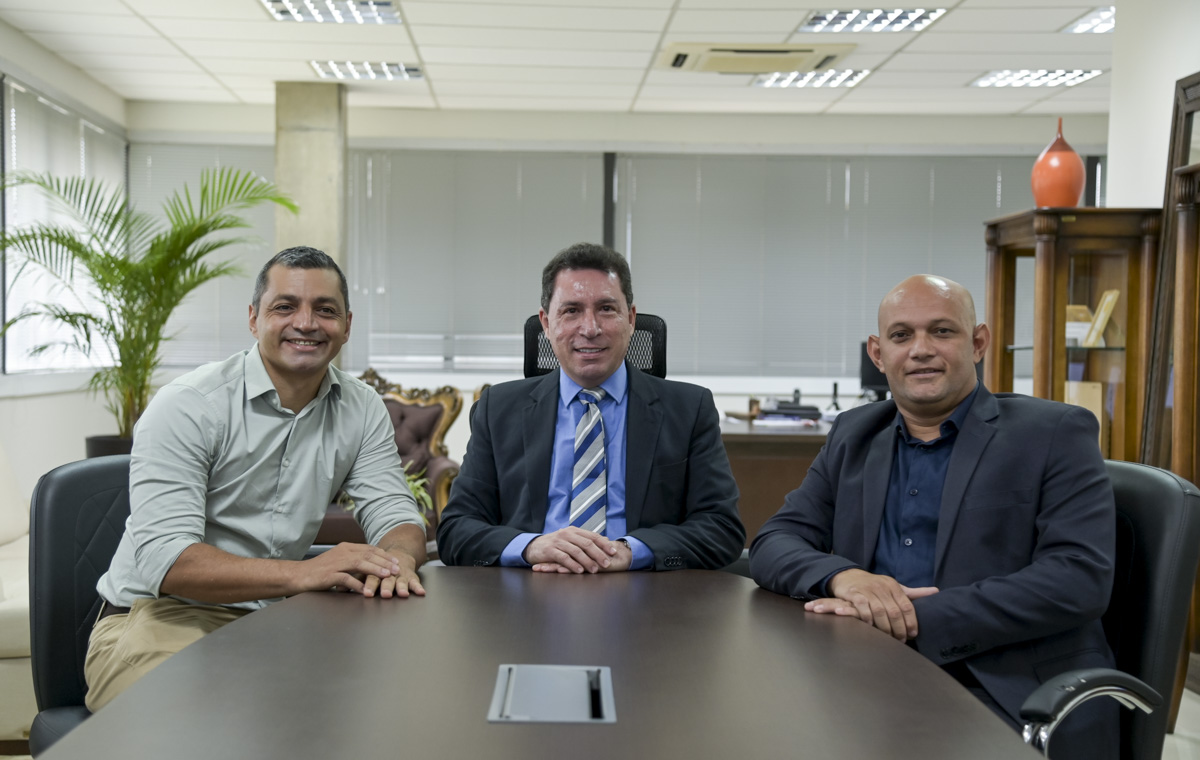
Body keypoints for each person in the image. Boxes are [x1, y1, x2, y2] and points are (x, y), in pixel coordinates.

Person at [749, 274, 1117, 760]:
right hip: (859, 674)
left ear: (979, 342)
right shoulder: (855, 433)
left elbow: (1078, 578)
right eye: (902, 336)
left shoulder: (1053, 432)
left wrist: (910, 618)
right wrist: (846, 578)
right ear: (879, 354)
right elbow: (775, 541)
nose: (921, 349)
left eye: (942, 331)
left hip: (1001, 686)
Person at [84, 246, 427, 711]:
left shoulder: (361, 406)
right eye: (285, 307)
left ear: (346, 325)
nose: (305, 323)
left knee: (387, 712)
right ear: (253, 318)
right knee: (201, 735)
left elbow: (395, 513)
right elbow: (168, 562)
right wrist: (307, 573)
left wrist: (398, 561)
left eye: (324, 310)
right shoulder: (189, 405)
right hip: (158, 618)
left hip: (279, 621)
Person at [437, 242, 744, 572]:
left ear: (631, 319)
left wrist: (633, 551)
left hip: (648, 598)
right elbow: (456, 530)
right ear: (546, 323)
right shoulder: (498, 409)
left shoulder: (688, 409)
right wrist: (531, 546)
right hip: (528, 594)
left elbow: (721, 529)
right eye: (571, 311)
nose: (590, 328)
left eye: (607, 309)